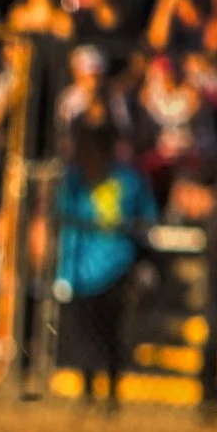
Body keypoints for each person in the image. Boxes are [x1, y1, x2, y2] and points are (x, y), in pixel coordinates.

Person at [53, 117, 156, 407]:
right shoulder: (73, 182)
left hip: (116, 267)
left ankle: (111, 390)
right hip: (80, 270)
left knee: (112, 332)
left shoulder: (129, 181)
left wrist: (142, 260)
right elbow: (61, 219)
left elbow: (145, 220)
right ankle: (88, 390)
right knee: (84, 332)